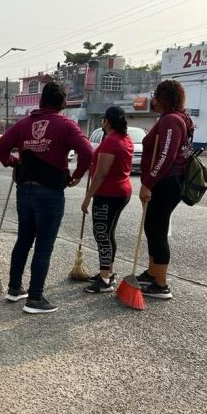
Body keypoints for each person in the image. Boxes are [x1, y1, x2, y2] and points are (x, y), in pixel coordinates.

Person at [0, 82, 93, 314]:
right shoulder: (66, 125)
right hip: (49, 191)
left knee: (23, 240)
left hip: (25, 189)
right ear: (63, 103)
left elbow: (0, 148)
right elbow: (88, 151)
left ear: (40, 101)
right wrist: (77, 175)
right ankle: (35, 298)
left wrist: (14, 162)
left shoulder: (24, 124)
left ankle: (14, 288)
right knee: (44, 245)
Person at [137, 80, 193, 300]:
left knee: (157, 231)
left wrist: (148, 183)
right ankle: (152, 273)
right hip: (167, 182)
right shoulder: (175, 118)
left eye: (155, 96)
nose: (153, 100)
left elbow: (166, 156)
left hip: (166, 182)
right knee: (152, 227)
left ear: (163, 98)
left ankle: (160, 284)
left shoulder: (171, 120)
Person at [81, 106, 134, 293]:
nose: (102, 123)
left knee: (101, 234)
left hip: (108, 195)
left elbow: (101, 173)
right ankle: (107, 272)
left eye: (103, 120)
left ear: (107, 122)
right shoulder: (125, 138)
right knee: (108, 233)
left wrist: (87, 198)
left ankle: (105, 280)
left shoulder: (111, 141)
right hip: (121, 192)